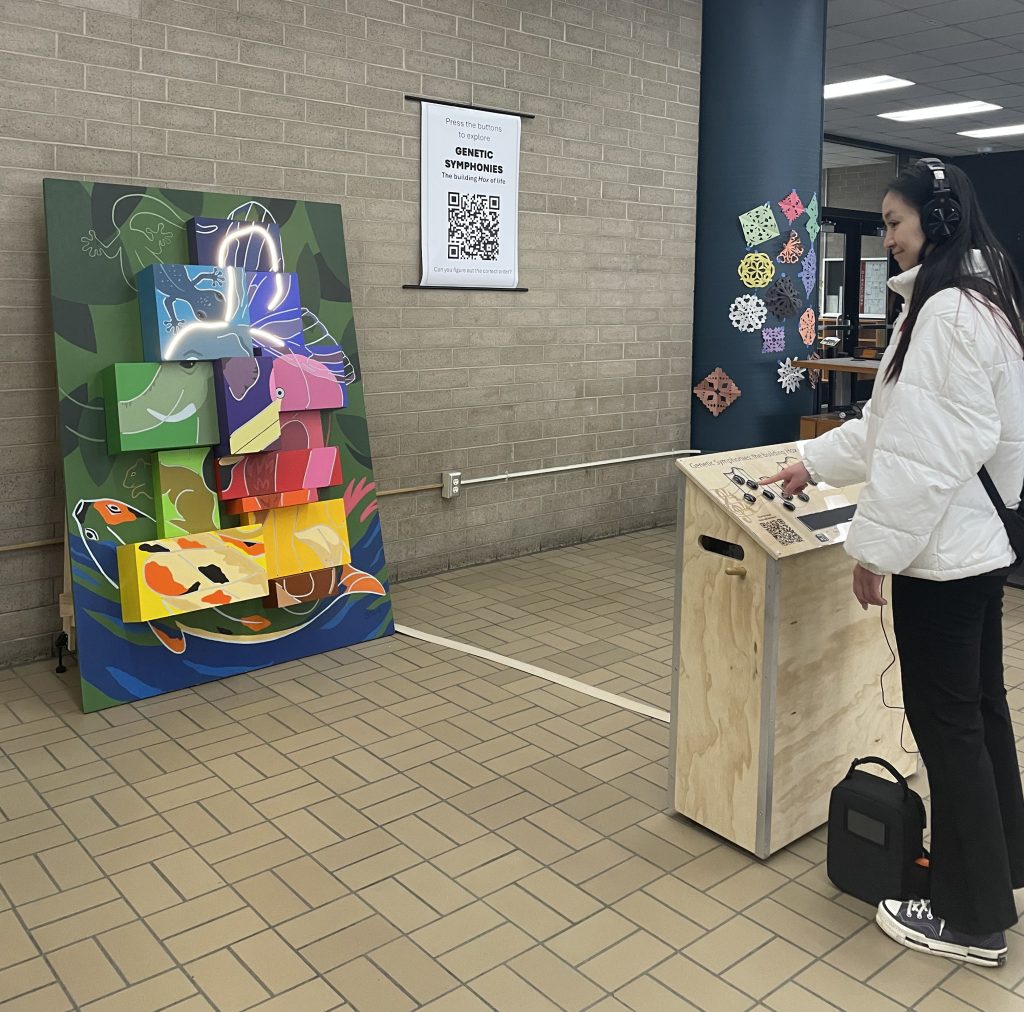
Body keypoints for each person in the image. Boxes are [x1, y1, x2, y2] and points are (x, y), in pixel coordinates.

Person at [763, 158, 1024, 968]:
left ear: (934, 224)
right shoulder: (978, 303)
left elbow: (922, 458)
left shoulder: (945, 314)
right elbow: (888, 430)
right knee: (978, 715)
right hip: (975, 548)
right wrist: (816, 462)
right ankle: (1001, 867)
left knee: (948, 727)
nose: (887, 239)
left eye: (893, 223)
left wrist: (871, 550)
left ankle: (970, 917)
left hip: (941, 558)